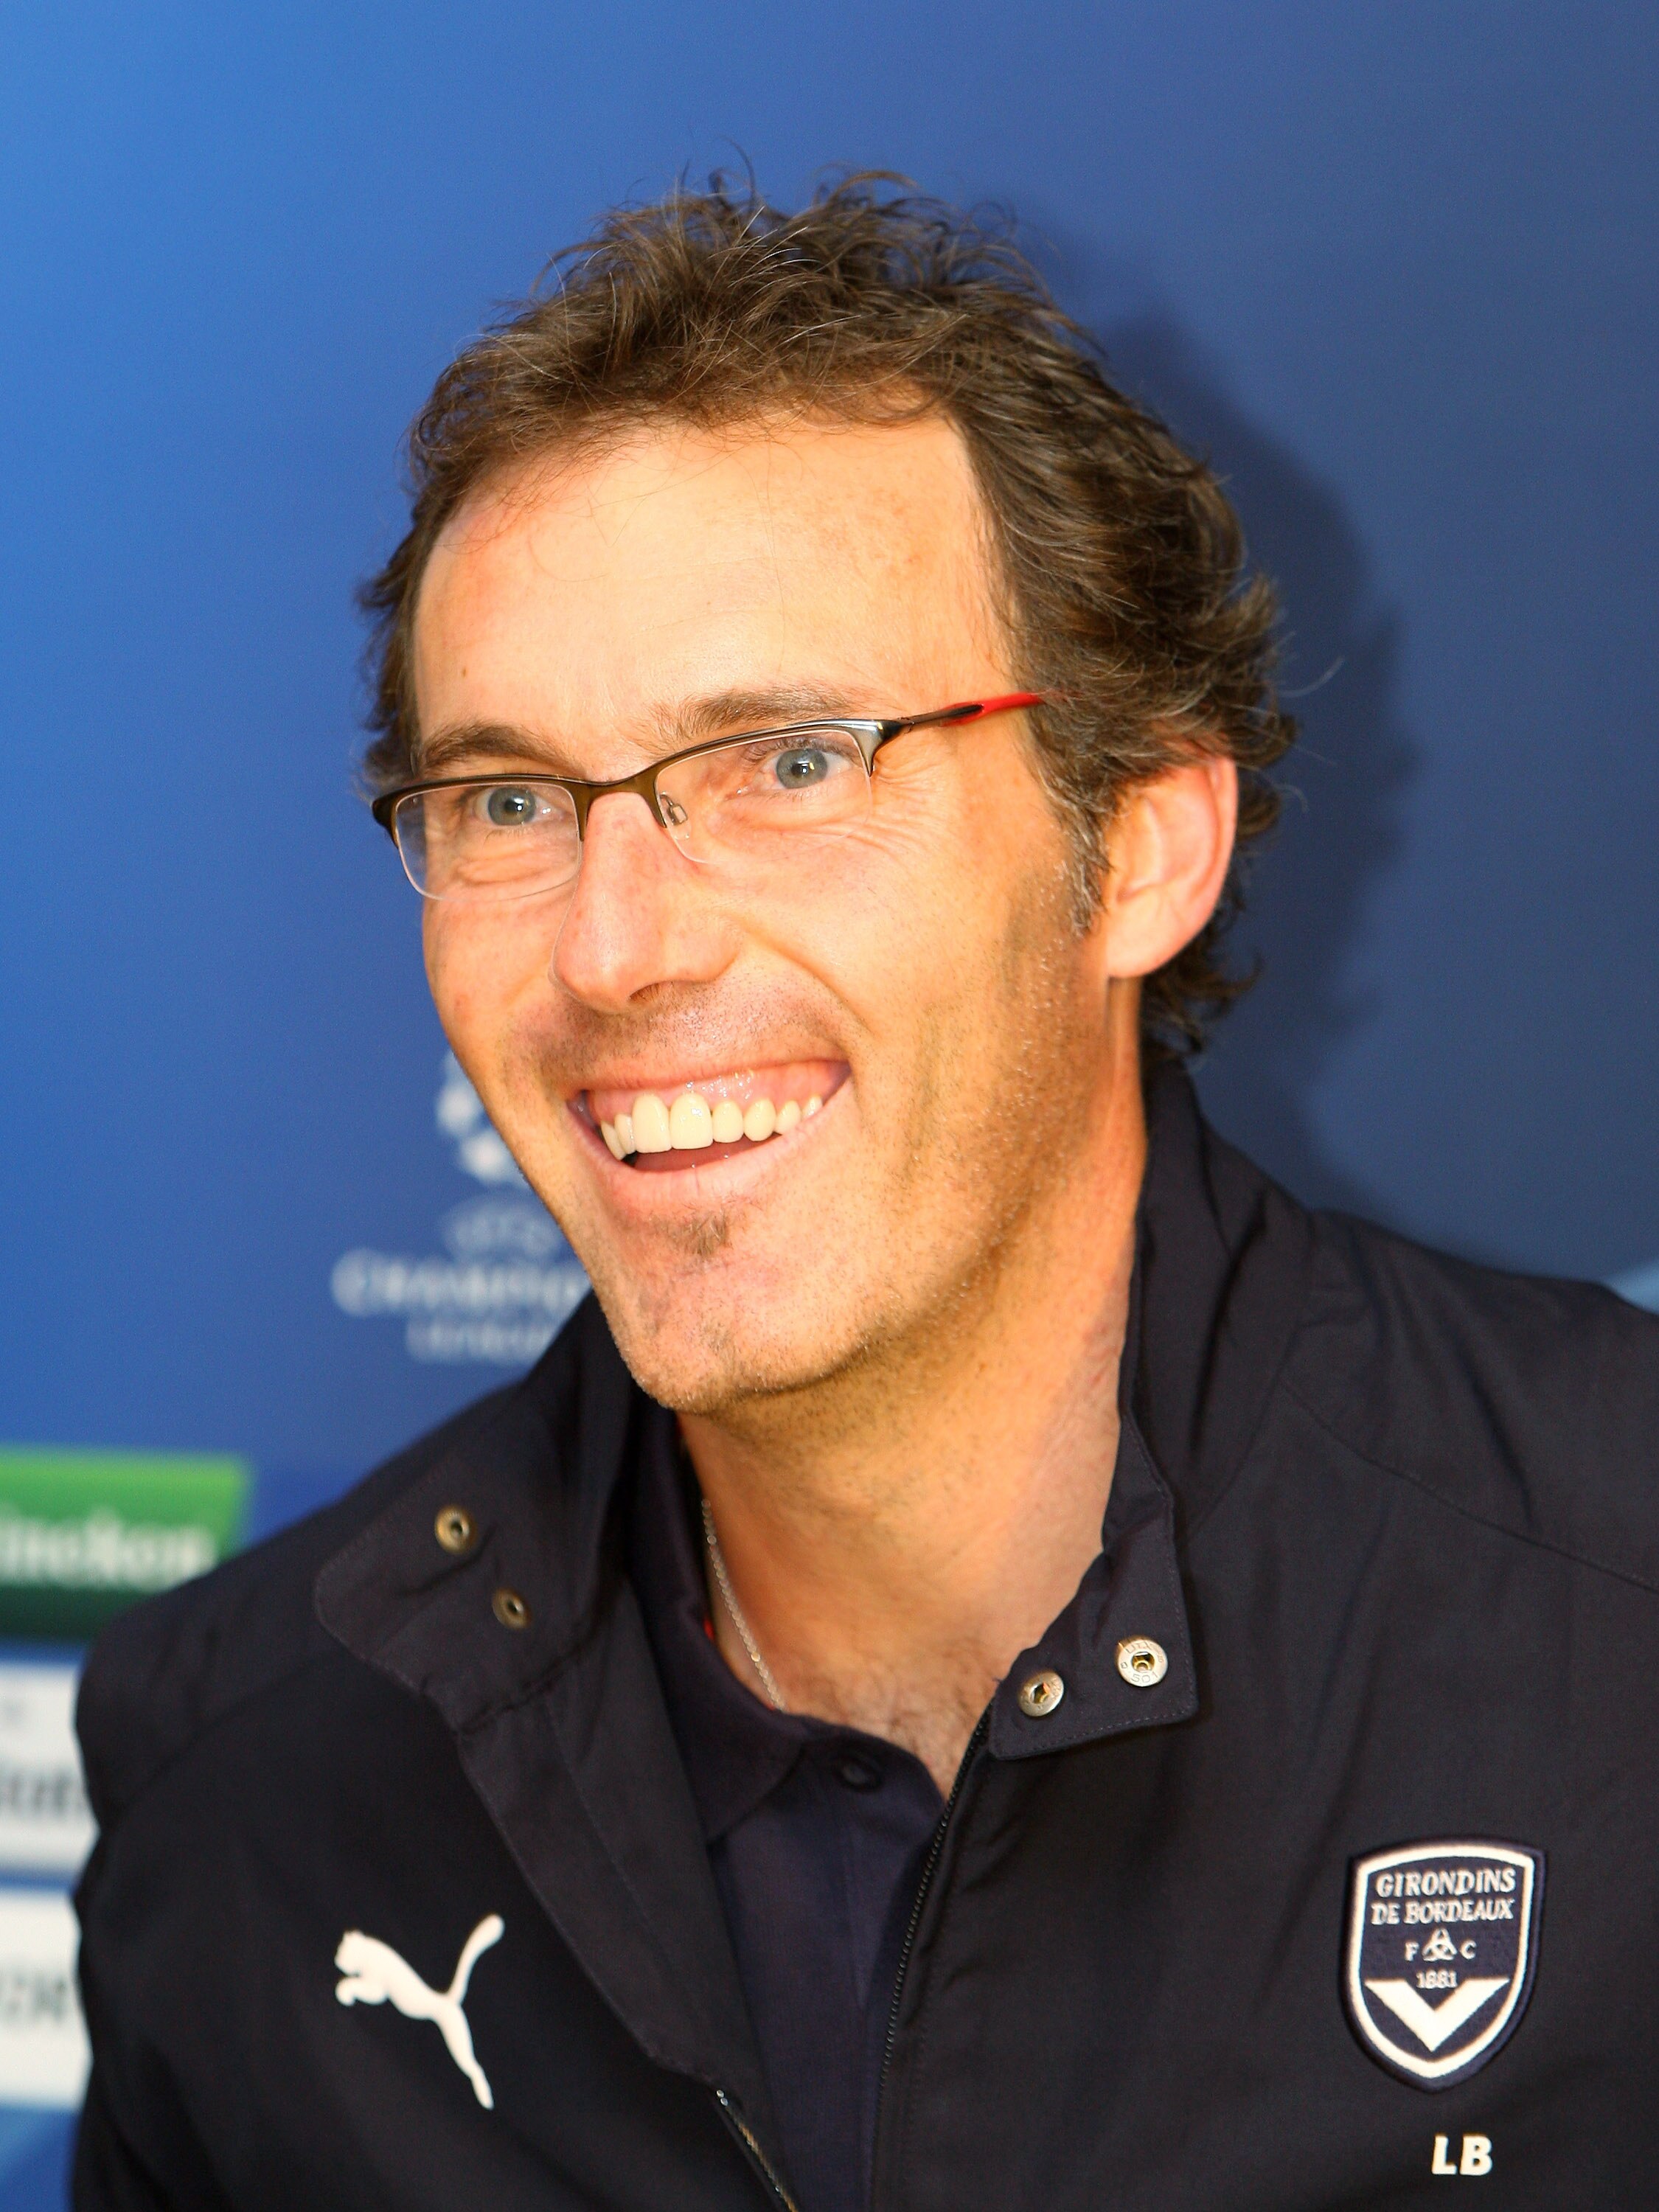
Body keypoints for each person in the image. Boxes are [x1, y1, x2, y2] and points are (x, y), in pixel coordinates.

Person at [72, 178, 1659, 2212]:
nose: (616, 947)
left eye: (789, 764)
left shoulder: (1608, 1614)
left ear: (1146, 848)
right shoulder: (260, 1771)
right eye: (505, 803)